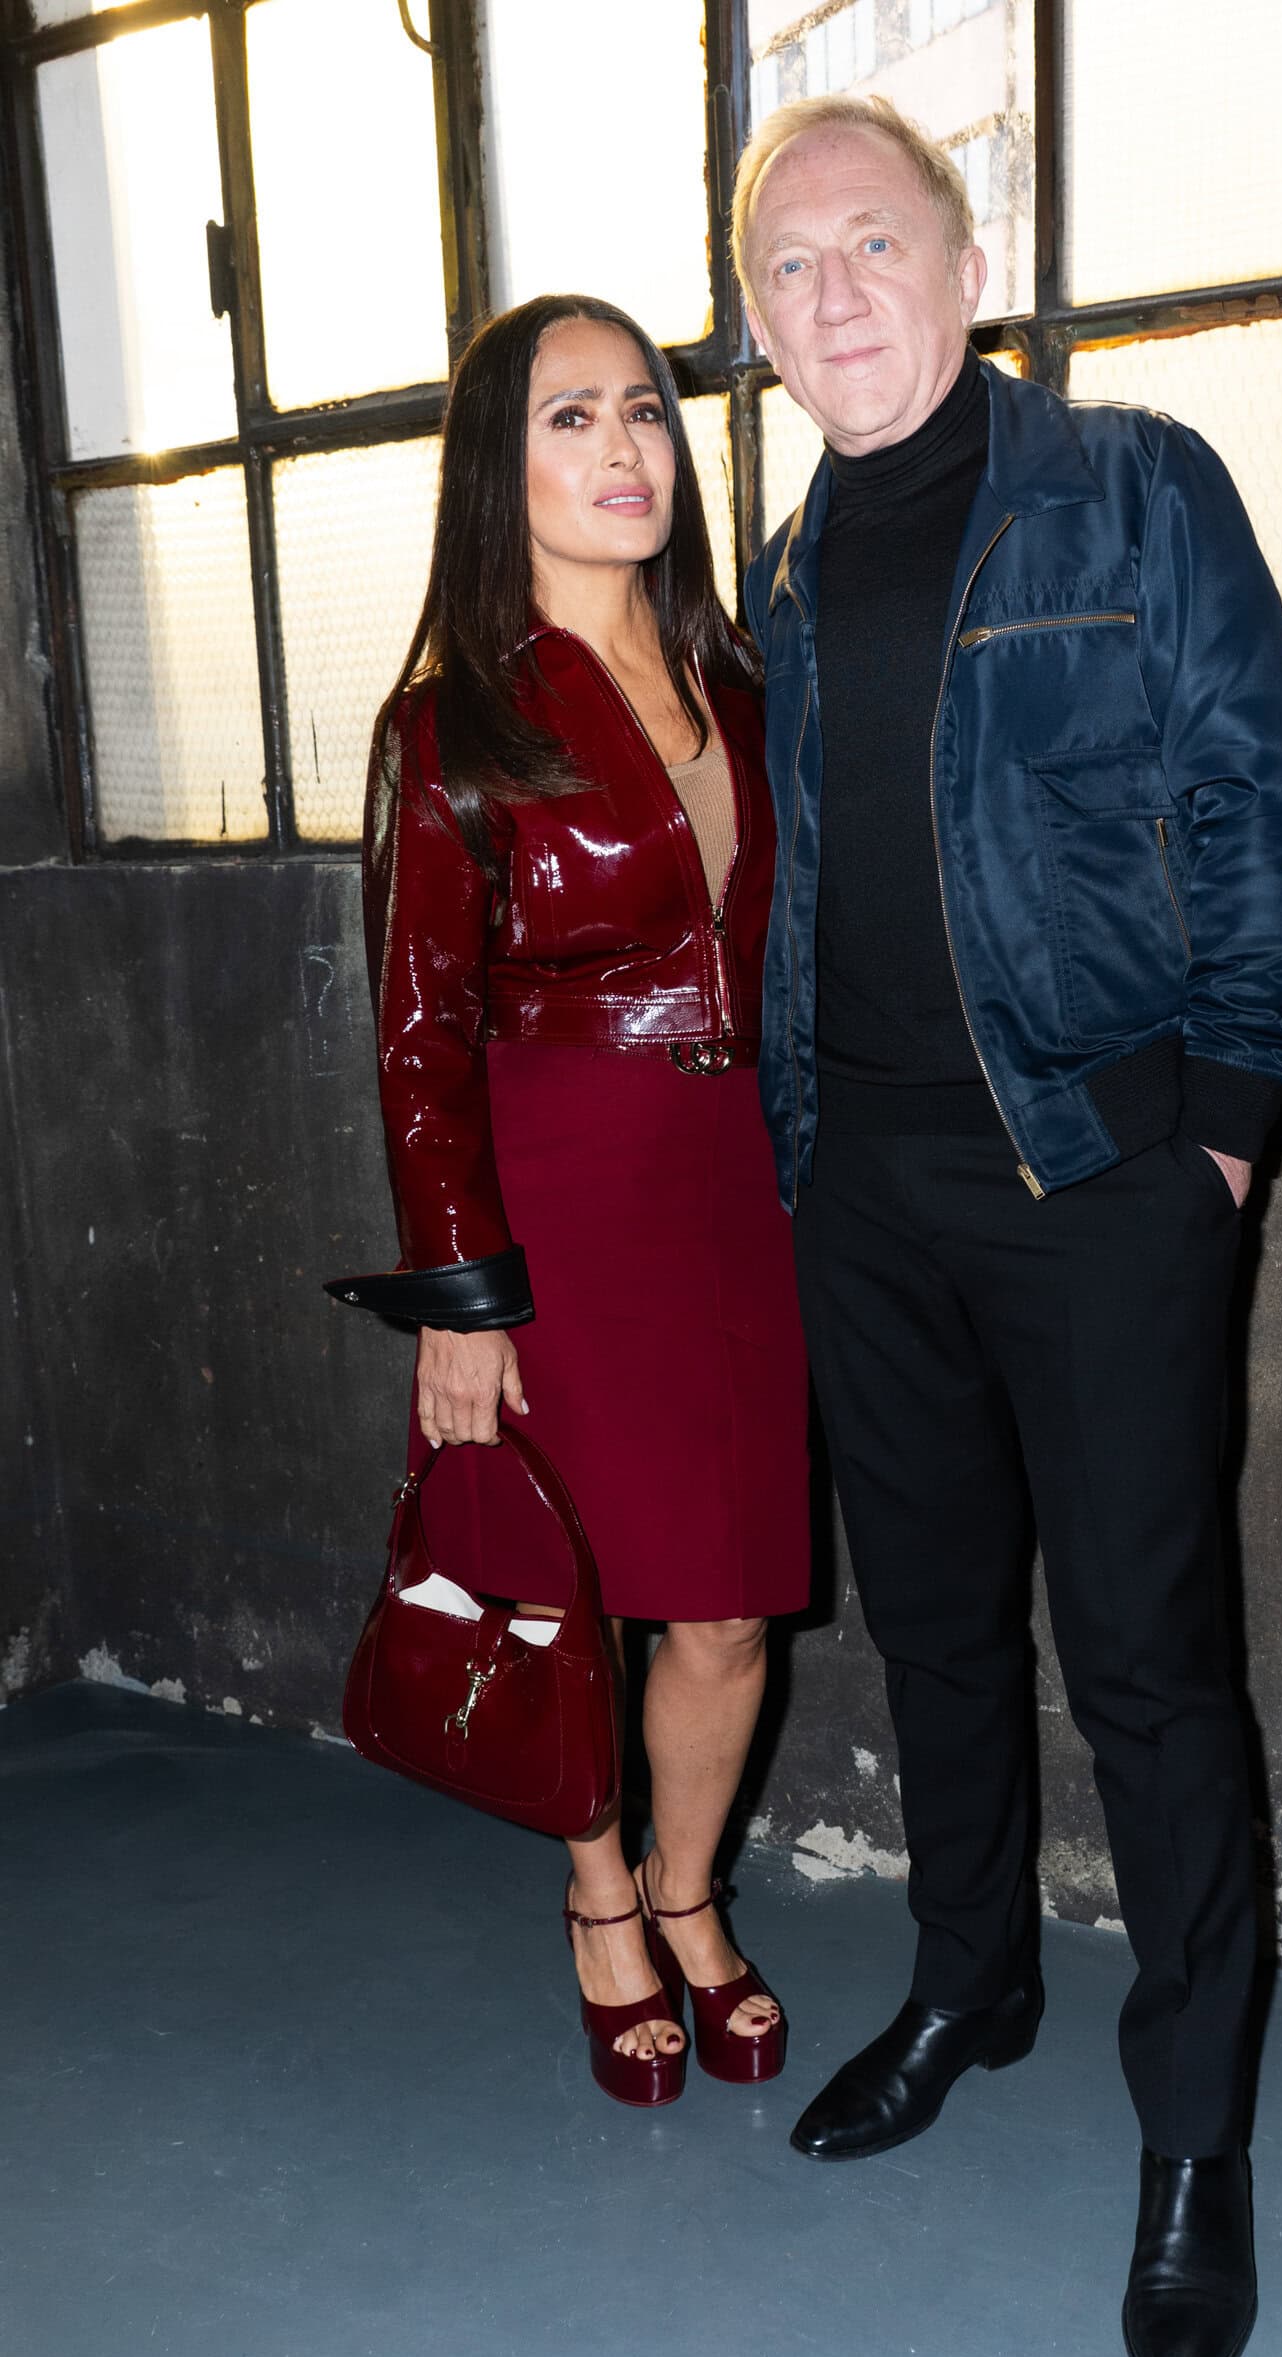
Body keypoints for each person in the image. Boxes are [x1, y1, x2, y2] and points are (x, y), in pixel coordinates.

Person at [731, 97, 1282, 2357]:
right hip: (864, 1192)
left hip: (1099, 1177)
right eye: (789, 268)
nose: (834, 294)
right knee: (936, 1632)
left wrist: (1224, 1134)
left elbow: (1265, 797)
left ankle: (1194, 2136)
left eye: (871, 243)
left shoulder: (1132, 489)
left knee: (1153, 1665)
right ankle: (971, 1976)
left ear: (964, 270)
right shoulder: (783, 583)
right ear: (761, 326)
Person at [359, 295, 808, 2110]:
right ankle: (603, 1899)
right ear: (501, 466)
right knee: (578, 1589)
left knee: (730, 1608)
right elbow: (416, 1039)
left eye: (646, 411)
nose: (625, 448)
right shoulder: (449, 728)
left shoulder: (748, 692)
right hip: (561, 1195)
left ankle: (691, 1890)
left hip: (747, 1188)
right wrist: (464, 1303)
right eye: (571, 417)